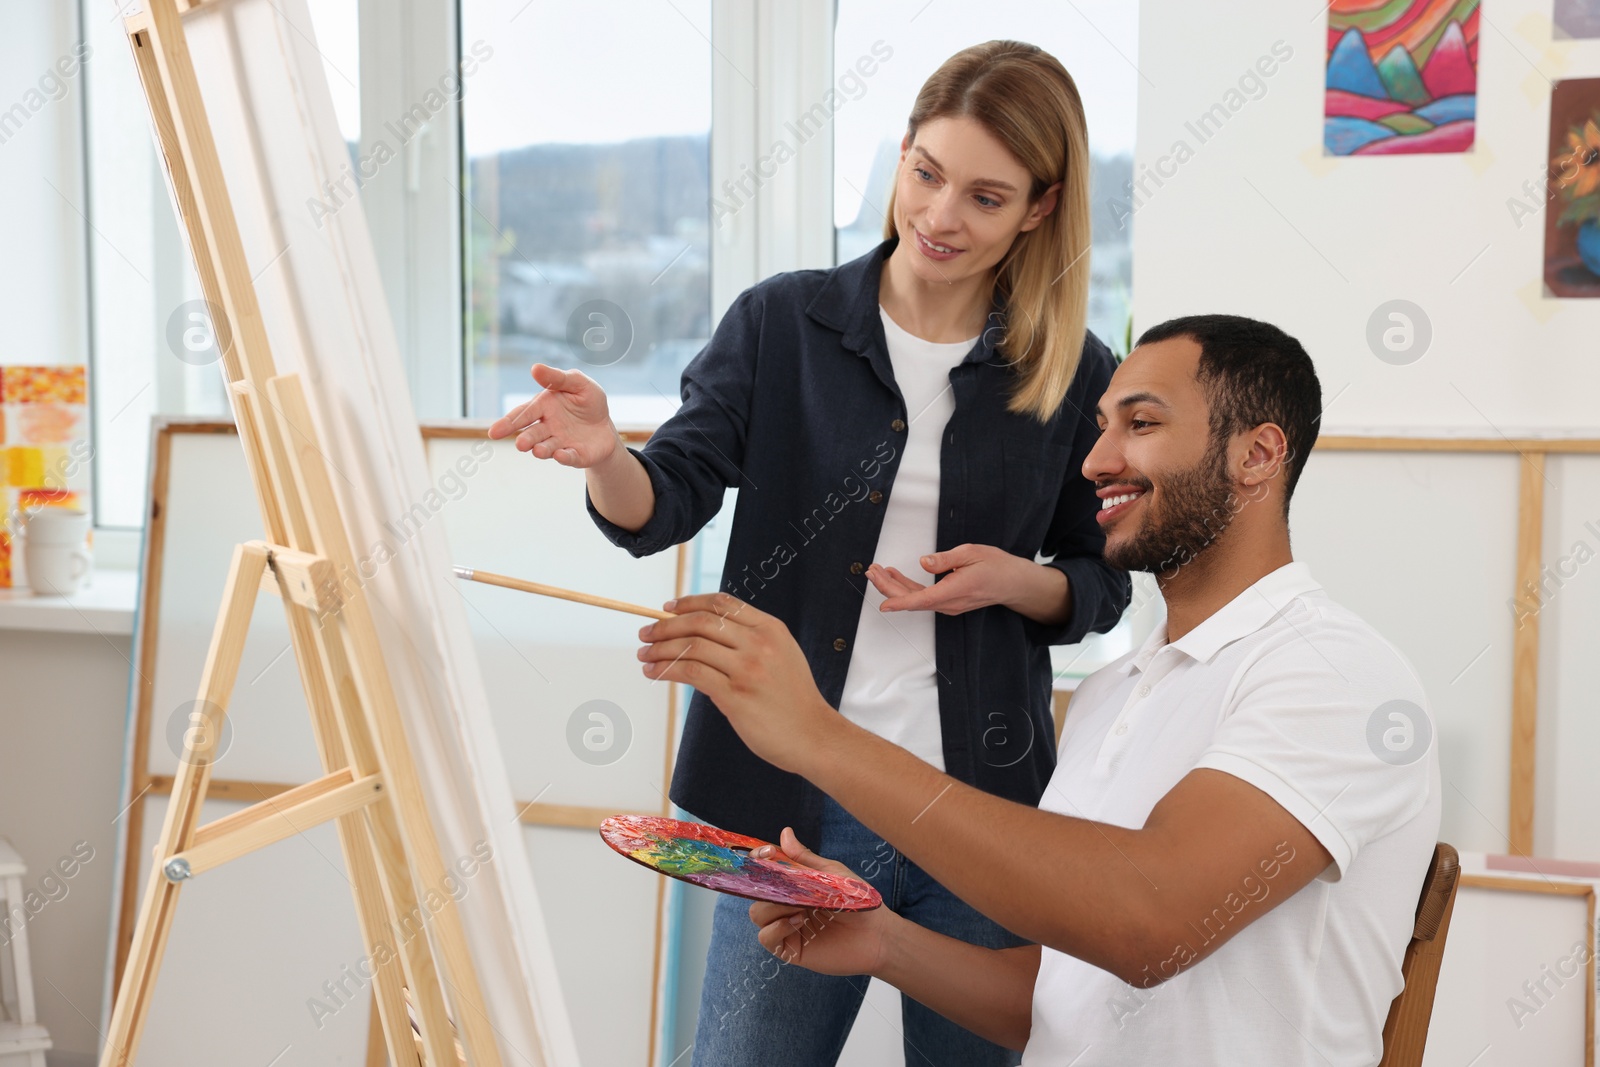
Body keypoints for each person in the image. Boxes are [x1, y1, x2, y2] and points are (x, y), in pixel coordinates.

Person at [488, 39, 1129, 1067]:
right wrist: (610, 454)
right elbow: (666, 500)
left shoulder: (1073, 370)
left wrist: (1023, 582)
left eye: (984, 196)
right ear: (902, 155)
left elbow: (1102, 580)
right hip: (787, 798)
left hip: (981, 810)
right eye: (924, 173)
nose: (939, 216)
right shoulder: (784, 323)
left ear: (1039, 209)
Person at [635, 315, 1442, 1067]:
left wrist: (818, 735)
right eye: (1101, 427)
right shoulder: (1110, 695)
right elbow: (1059, 996)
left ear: (1259, 454)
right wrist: (884, 943)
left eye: (1143, 423)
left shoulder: (1338, 676)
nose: (1095, 461)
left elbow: (1145, 921)